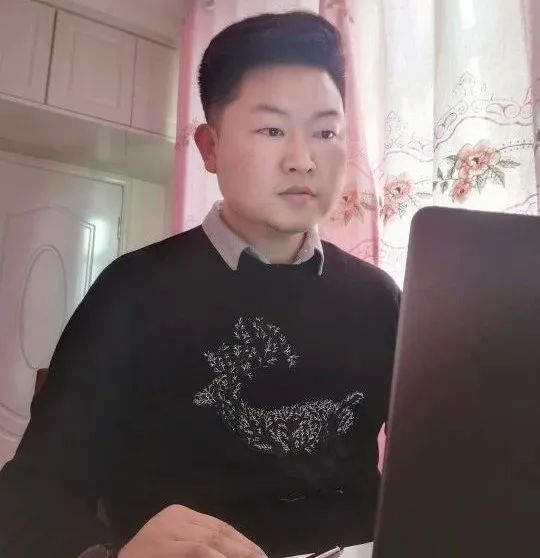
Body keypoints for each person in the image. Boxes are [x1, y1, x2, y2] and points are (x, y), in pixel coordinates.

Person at [0, 11, 400, 558]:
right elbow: (30, 498)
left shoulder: (379, 298)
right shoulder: (132, 294)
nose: (303, 160)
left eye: (325, 132)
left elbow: (441, 459)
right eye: (272, 130)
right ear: (209, 148)